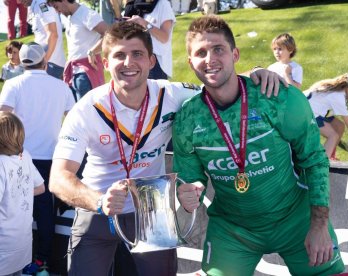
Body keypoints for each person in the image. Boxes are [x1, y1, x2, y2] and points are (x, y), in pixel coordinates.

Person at [48, 20, 280, 276]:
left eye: (137, 54)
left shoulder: (172, 94)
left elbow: (220, 83)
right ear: (105, 63)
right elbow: (59, 178)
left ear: (151, 61)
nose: (128, 63)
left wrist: (258, 71)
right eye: (119, 56)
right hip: (100, 207)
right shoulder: (87, 109)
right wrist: (100, 201)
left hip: (151, 207)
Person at [173, 15, 345, 276]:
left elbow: (314, 159)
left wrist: (320, 225)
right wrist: (186, 192)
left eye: (218, 49)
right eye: (201, 52)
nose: (210, 59)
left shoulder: (275, 96)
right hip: (233, 230)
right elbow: (188, 177)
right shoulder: (187, 116)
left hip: (295, 219)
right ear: (190, 62)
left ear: (235, 54)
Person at [0, 42, 75, 275]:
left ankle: (30, 260)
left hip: (17, 156)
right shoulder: (61, 86)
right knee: (45, 213)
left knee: (12, 209)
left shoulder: (13, 84)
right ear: (45, 61)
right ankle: (42, 260)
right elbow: (73, 122)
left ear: (22, 63)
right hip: (50, 158)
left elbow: (3, 117)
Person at [0, 111, 45, 276]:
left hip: (3, 247)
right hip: (22, 245)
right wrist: (16, 195)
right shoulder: (24, 156)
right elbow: (41, 187)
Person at [47, 0, 108, 101]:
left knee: (88, 113)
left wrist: (92, 51)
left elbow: (109, 34)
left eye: (56, 6)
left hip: (86, 73)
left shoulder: (86, 14)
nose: (57, 11)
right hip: (76, 73)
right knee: (79, 113)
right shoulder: (72, 17)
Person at [303, 73, 348, 160]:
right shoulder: (338, 97)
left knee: (339, 126)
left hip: (308, 107)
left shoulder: (335, 87)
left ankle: (330, 156)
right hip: (305, 114)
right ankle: (320, 165)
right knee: (333, 135)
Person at [125, 0, 176, 80]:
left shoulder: (163, 4)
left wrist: (146, 24)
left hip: (156, 62)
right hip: (137, 57)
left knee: (156, 92)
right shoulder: (135, 4)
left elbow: (164, 37)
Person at [20, 0, 66, 79]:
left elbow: (53, 35)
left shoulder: (41, 4)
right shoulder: (37, 5)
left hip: (50, 64)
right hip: (47, 63)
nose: (18, 1)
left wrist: (43, 62)